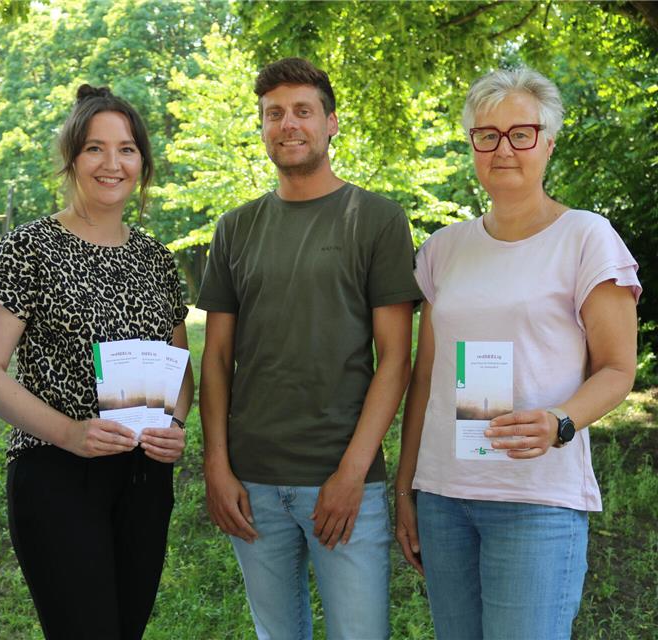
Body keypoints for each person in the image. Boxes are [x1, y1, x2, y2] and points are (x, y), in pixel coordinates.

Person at [394, 67, 640, 640]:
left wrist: (560, 420)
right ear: (472, 146)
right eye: (487, 135)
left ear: (548, 142)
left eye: (520, 133)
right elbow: (425, 379)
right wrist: (408, 487)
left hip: (536, 499)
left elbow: (617, 369)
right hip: (445, 499)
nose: (503, 149)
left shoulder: (586, 238)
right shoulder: (443, 249)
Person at [197, 57, 421, 640]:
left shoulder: (377, 219)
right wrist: (216, 465)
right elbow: (216, 359)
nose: (288, 124)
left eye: (302, 110)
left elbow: (396, 360)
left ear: (331, 123)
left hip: (345, 478)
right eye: (274, 114)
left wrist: (352, 473)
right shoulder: (234, 228)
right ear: (262, 127)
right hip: (252, 483)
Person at [0, 84, 194, 640]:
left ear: (142, 163)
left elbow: (179, 363)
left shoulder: (154, 258)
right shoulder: (29, 248)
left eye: (126, 149)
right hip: (57, 473)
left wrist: (176, 424)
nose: (112, 163)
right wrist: (71, 434)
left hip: (144, 475)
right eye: (95, 148)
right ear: (70, 159)